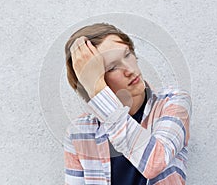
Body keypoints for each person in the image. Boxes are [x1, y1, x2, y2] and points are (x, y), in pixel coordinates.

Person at [63, 23, 191, 185]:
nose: (129, 69)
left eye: (127, 54)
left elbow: (155, 162)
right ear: (91, 81)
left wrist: (98, 93)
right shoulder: (79, 132)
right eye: (113, 67)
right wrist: (95, 89)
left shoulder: (172, 103)